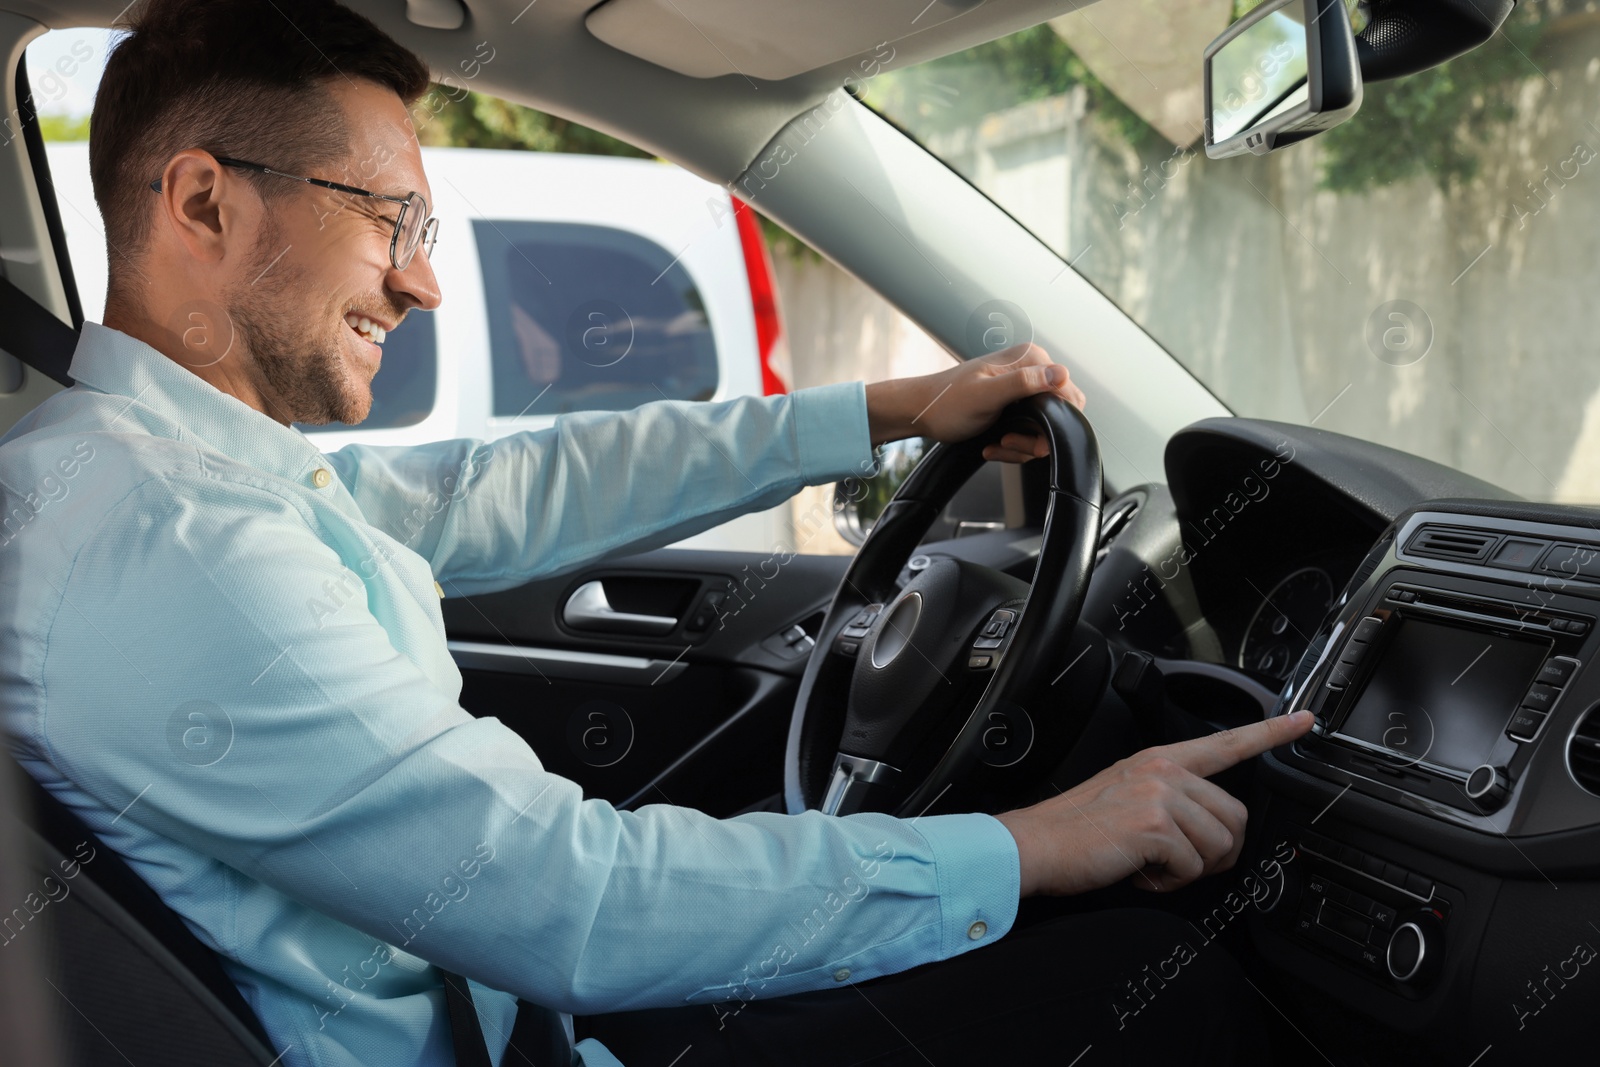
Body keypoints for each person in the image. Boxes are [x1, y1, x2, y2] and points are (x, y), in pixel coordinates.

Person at [0, 1, 1313, 1064]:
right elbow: (573, 902)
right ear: (203, 204)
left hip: (524, 1020)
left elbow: (500, 491)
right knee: (1149, 983)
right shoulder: (180, 555)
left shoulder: (147, 482)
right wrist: (1040, 843)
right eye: (387, 220)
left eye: (427, 231)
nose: (424, 279)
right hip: (518, 1026)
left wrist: (893, 410)